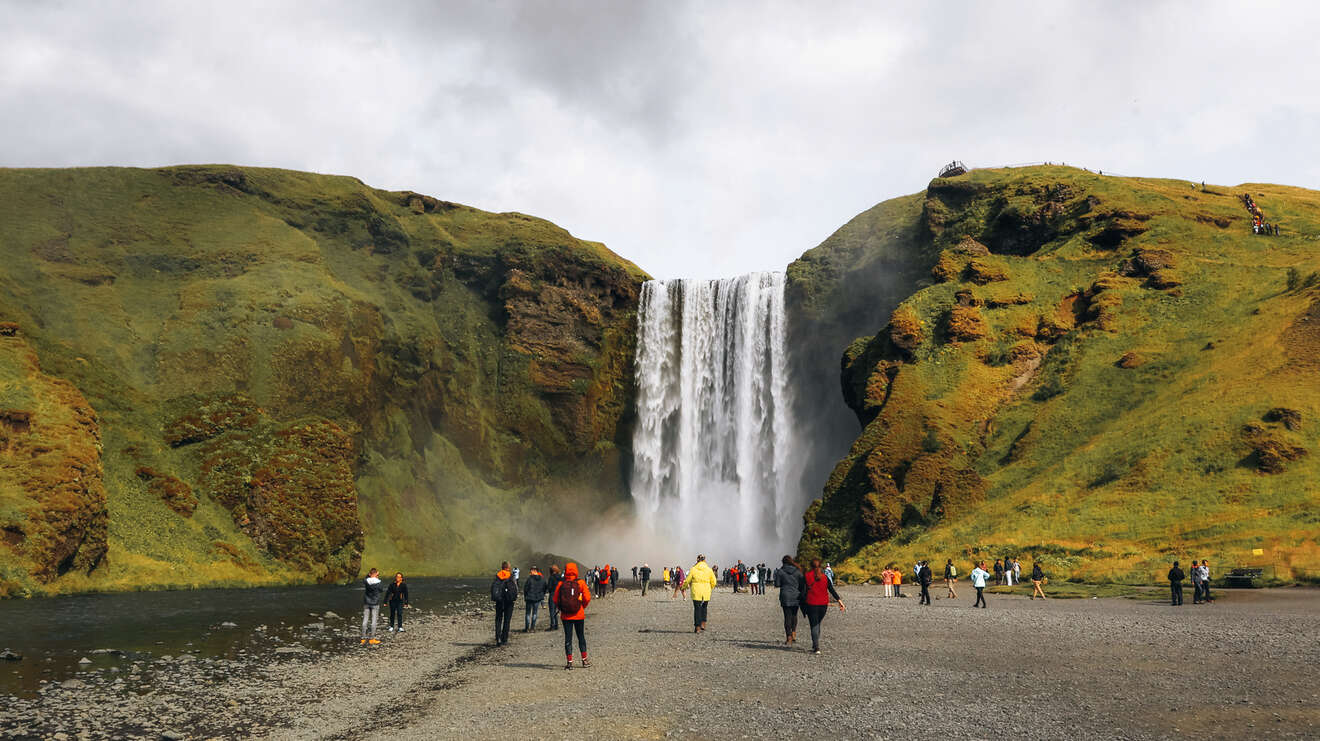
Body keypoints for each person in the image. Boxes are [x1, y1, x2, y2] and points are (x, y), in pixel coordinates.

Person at [802, 558, 845, 654]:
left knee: (814, 625)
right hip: (823, 605)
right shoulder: (825, 577)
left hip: (811, 604)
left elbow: (803, 591)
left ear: (811, 566)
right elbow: (831, 590)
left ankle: (816, 647)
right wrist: (839, 601)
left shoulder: (807, 576)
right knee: (817, 624)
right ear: (820, 566)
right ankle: (815, 643)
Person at [554, 562, 592, 669]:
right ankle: (584, 661)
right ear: (576, 570)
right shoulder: (581, 583)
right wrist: (582, 607)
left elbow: (555, 599)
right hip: (579, 614)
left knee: (568, 638)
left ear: (566, 571)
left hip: (566, 616)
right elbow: (587, 598)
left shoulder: (561, 584)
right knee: (581, 637)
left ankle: (569, 662)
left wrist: (561, 608)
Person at [682, 555, 718, 633]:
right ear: (705, 560)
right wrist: (710, 588)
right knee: (704, 607)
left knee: (697, 609)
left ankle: (697, 627)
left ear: (697, 560)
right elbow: (714, 582)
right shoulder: (709, 570)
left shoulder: (693, 569)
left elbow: (687, 580)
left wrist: (683, 587)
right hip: (706, 591)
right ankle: (703, 624)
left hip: (696, 591)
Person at [774, 555, 805, 646]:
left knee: (787, 617)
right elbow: (802, 584)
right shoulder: (798, 571)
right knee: (794, 615)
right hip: (796, 595)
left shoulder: (780, 571)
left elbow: (777, 584)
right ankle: (794, 633)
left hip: (785, 596)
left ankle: (789, 637)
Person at [490, 561, 518, 645]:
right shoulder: (511, 576)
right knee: (507, 620)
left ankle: (498, 638)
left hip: (499, 600)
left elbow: (493, 587)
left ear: (502, 567)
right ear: (508, 568)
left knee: (498, 619)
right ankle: (504, 639)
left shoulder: (498, 576)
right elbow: (516, 588)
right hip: (509, 601)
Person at [361, 567, 386, 645]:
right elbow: (381, 590)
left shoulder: (366, 581)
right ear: (376, 574)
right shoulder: (379, 582)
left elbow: (365, 578)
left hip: (366, 602)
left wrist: (369, 575)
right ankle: (372, 639)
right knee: (373, 621)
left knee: (365, 621)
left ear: (370, 574)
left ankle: (363, 639)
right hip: (375, 603)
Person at [523, 565, 546, 631]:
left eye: (531, 570)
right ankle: (532, 628)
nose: (530, 571)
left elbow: (526, 588)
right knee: (535, 613)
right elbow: (544, 588)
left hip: (529, 598)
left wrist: (525, 596)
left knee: (528, 613)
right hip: (537, 598)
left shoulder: (529, 579)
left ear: (535, 571)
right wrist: (541, 595)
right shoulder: (542, 579)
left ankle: (527, 628)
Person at [546, 564, 564, 631]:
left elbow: (549, 587)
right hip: (559, 595)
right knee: (556, 611)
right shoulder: (560, 577)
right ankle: (556, 625)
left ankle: (552, 625)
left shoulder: (551, 577)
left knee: (552, 611)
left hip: (553, 594)